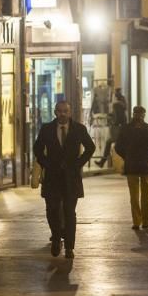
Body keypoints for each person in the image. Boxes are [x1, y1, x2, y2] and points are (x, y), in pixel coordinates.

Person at [33, 101, 95, 259]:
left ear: (70, 112)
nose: (62, 114)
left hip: (70, 178)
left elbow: (90, 147)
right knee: (52, 211)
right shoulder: (47, 129)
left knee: (69, 213)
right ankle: (55, 238)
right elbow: (37, 149)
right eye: (59, 111)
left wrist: (78, 163)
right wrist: (46, 164)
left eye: (65, 111)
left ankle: (69, 247)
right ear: (55, 112)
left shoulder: (79, 129)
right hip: (52, 178)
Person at [115, 105, 148, 230]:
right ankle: (146, 220)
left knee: (133, 195)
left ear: (133, 114)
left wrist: (127, 156)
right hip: (145, 165)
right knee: (146, 194)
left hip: (132, 165)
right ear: (143, 115)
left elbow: (118, 147)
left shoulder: (125, 129)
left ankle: (136, 221)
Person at [95, 91, 126, 168]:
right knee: (113, 144)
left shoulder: (116, 105)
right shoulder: (123, 105)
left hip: (117, 128)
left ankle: (103, 162)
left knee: (111, 143)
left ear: (115, 97)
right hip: (122, 128)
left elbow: (116, 118)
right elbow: (121, 116)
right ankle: (103, 162)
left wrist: (110, 119)